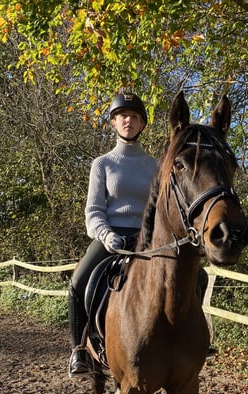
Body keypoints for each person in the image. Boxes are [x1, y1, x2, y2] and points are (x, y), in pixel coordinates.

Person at [68, 93, 158, 376]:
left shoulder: (155, 166)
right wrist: (105, 235)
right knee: (77, 283)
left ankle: (195, 340)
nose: (128, 120)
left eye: (133, 116)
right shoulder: (102, 164)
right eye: (122, 116)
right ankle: (79, 350)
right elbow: (93, 210)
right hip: (111, 237)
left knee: (198, 276)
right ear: (114, 123)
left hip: (146, 239)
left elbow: (158, 209)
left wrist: (153, 235)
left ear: (142, 123)